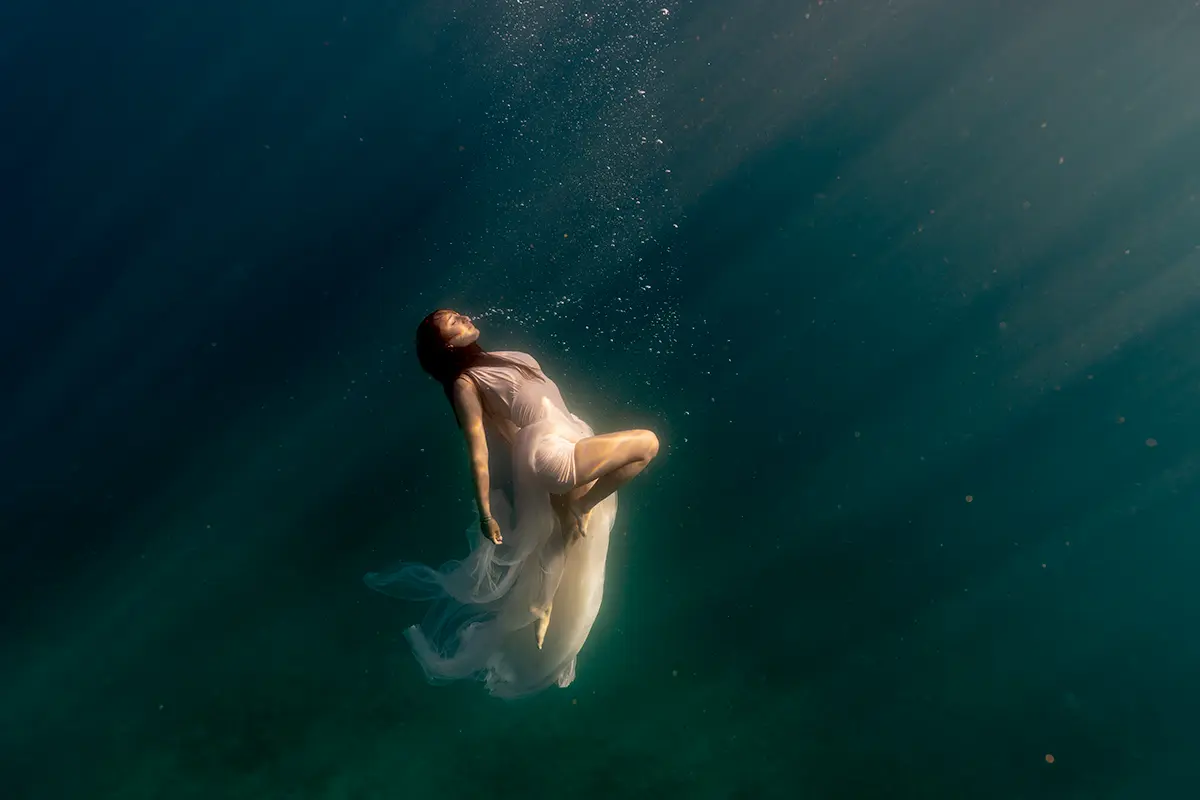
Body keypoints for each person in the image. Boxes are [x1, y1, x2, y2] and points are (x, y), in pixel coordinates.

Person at [364, 309, 659, 698]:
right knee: (647, 443)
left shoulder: (513, 356)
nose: (465, 317)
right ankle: (578, 510)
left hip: (570, 436)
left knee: (566, 534)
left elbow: (512, 427)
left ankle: (542, 603)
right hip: (550, 451)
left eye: (459, 315)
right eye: (452, 321)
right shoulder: (464, 383)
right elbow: (478, 451)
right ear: (447, 344)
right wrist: (486, 512)